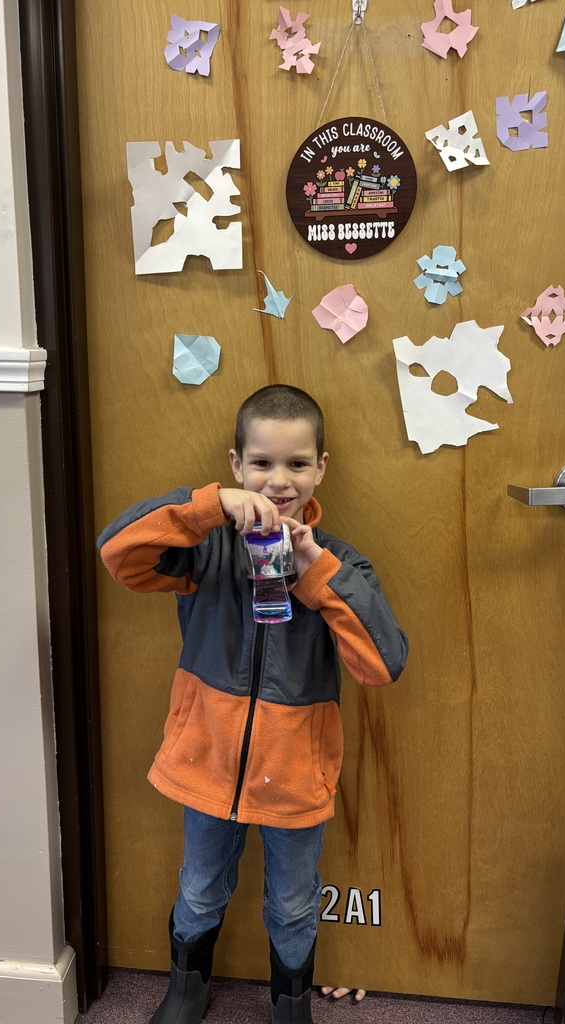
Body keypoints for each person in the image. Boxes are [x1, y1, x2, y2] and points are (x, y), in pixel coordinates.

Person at [97, 385, 408, 1024]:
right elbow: (119, 554)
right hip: (207, 761)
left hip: (295, 773)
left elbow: (382, 665)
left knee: (292, 902)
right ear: (237, 465)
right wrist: (208, 507)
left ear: (321, 467)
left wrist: (315, 569)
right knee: (199, 887)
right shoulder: (206, 550)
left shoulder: (340, 564)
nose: (279, 480)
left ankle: (290, 1004)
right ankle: (188, 988)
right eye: (262, 462)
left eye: (297, 463)